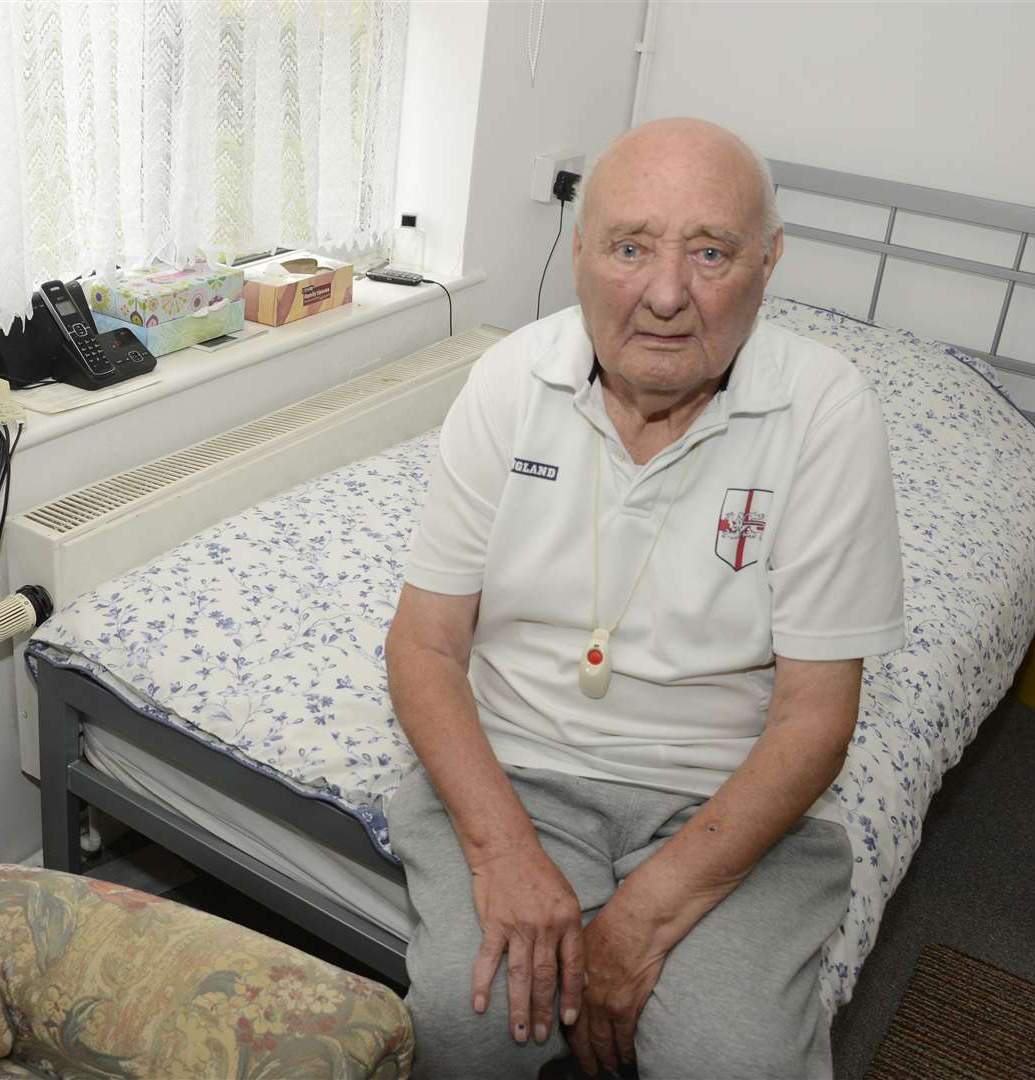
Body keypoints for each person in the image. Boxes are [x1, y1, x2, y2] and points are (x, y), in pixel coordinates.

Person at [383, 117, 905, 1079]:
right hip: (521, 768)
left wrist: (639, 923)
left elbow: (817, 718)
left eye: (711, 253)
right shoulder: (511, 379)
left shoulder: (827, 410)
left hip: (727, 790)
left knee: (729, 1058)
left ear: (769, 261)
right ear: (579, 253)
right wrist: (502, 853)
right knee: (466, 1024)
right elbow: (422, 646)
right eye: (630, 247)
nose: (667, 294)